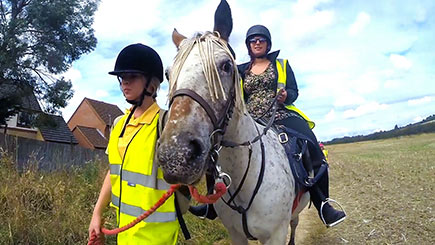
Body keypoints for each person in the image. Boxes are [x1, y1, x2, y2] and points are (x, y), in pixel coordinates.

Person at [238, 24, 346, 227]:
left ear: (268, 43)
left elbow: (294, 90)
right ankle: (213, 204)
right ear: (248, 45)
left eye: (261, 39)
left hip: (281, 114)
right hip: (251, 118)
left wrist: (287, 95)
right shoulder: (240, 71)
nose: (257, 42)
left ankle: (323, 204)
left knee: (312, 146)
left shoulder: (282, 64)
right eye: (253, 40)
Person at [88, 43, 180, 244]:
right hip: (125, 233)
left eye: (133, 76)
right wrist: (97, 214)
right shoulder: (120, 123)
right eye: (122, 78)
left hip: (156, 236)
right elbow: (114, 172)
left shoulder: (167, 124)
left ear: (152, 84)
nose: (125, 83)